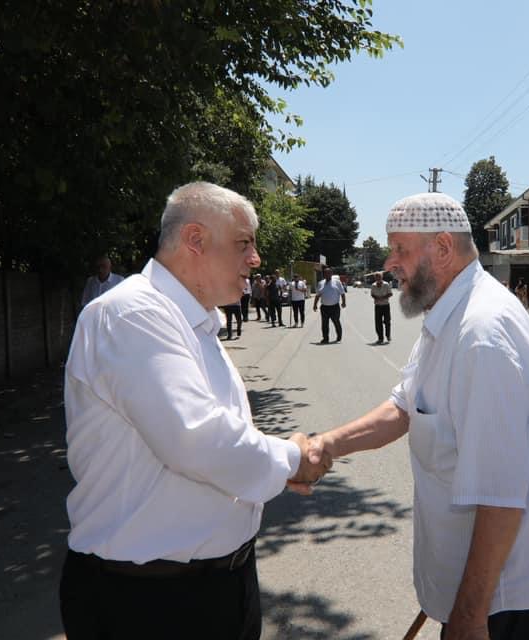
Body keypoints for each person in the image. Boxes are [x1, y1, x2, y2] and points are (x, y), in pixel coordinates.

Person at [300, 192, 529, 640]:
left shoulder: (481, 337)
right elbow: (405, 406)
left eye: (400, 250)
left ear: (443, 248)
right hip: (478, 585)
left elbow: (500, 496)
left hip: (499, 597)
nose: (390, 263)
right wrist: (326, 446)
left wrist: (469, 617)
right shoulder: (447, 316)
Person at [59, 182, 331, 639]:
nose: (256, 258)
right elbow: (196, 438)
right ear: (195, 241)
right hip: (148, 604)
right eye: (244, 243)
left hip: (216, 586)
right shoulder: (132, 313)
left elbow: (216, 437)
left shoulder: (192, 321)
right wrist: (293, 458)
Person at [312, 267, 346, 343]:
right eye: (325, 273)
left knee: (336, 322)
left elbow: (342, 293)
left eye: (328, 273)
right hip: (324, 307)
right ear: (324, 274)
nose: (327, 274)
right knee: (324, 324)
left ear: (331, 274)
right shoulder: (320, 283)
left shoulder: (337, 282)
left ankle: (339, 336)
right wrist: (315, 305)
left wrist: (344, 302)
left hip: (335, 307)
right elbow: (317, 295)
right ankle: (325, 338)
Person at [370, 271, 393, 344]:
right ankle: (380, 338)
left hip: (385, 305)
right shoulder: (373, 285)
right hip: (377, 306)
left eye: (379, 277)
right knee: (378, 323)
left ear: (382, 277)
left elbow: (390, 294)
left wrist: (383, 297)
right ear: (375, 278)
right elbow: (372, 294)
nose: (378, 279)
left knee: (387, 321)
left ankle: (388, 335)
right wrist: (376, 297)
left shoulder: (386, 284)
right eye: (376, 277)